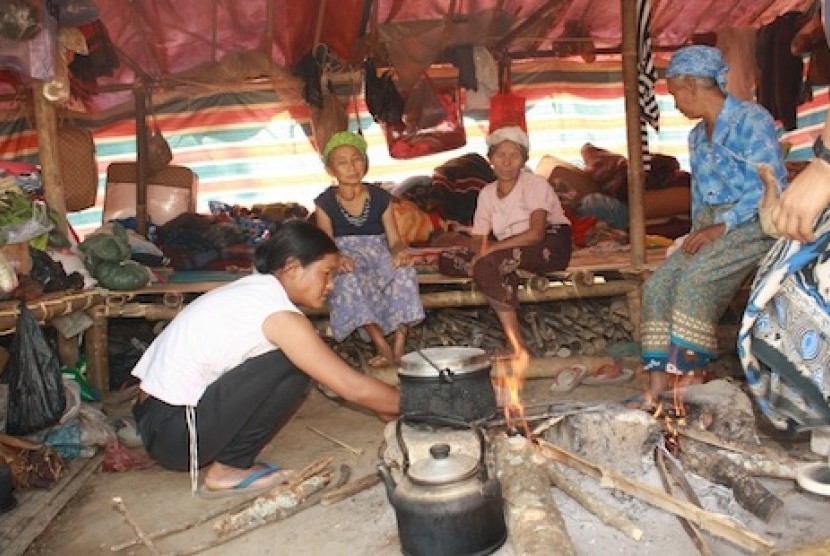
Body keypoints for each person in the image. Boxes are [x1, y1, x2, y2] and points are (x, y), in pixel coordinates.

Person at [131, 220, 399, 497]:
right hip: (176, 436)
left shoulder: (253, 291)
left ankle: (226, 453)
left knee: (287, 359)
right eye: (327, 273)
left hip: (157, 422)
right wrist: (420, 404)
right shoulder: (277, 314)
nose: (331, 285)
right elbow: (351, 387)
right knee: (291, 362)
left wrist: (385, 404)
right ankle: (229, 468)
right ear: (293, 268)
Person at [641, 45, 788, 401]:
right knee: (658, 285)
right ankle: (659, 381)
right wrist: (696, 233)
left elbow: (771, 184)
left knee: (696, 281)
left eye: (675, 92)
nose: (674, 102)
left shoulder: (751, 120)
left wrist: (722, 226)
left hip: (754, 221)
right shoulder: (695, 137)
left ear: (691, 85)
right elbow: (699, 197)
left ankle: (691, 378)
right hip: (712, 224)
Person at [737, 0, 830, 435]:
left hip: (741, 224)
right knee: (779, 288)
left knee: (788, 289)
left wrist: (825, 166)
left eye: (680, 88)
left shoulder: (752, 122)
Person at [438, 126, 572, 358]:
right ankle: (495, 272)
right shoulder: (487, 193)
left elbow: (536, 233)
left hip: (548, 244)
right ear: (490, 159)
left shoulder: (534, 184)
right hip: (510, 248)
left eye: (515, 156)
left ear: (523, 160)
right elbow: (479, 238)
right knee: (447, 259)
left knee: (487, 263)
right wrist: (472, 249)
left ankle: (516, 346)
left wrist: (490, 251)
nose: (507, 162)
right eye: (501, 155)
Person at [314, 131, 424, 368]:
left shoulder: (381, 197)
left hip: (377, 252)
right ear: (331, 170)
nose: (351, 167)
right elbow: (326, 243)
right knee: (346, 278)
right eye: (342, 162)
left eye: (356, 159)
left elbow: (394, 239)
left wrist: (399, 251)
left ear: (365, 163)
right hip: (344, 255)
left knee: (404, 271)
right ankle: (380, 344)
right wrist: (338, 257)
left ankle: (399, 344)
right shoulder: (324, 202)